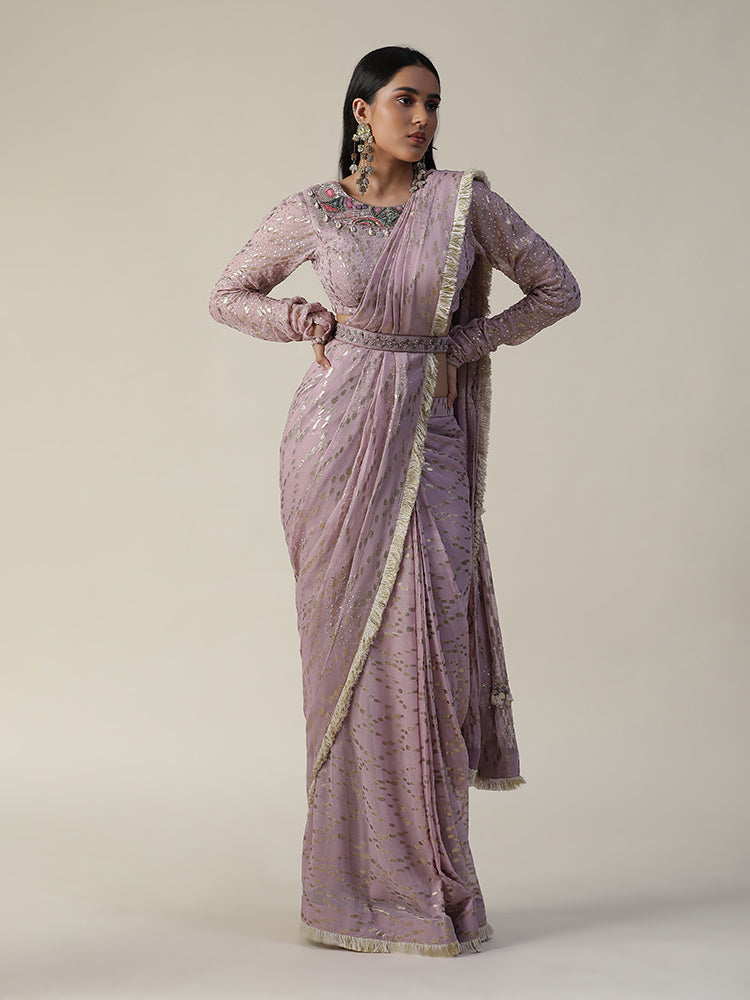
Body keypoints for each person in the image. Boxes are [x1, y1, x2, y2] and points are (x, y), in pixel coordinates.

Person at [208, 45, 581, 957]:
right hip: (334, 444)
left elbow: (557, 289)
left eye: (433, 104)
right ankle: (347, 892)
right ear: (362, 111)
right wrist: (302, 318)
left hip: (430, 439)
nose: (422, 119)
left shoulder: (463, 204)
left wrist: (461, 345)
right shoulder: (315, 210)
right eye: (406, 100)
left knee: (432, 650)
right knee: (345, 655)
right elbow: (228, 294)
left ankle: (430, 886)